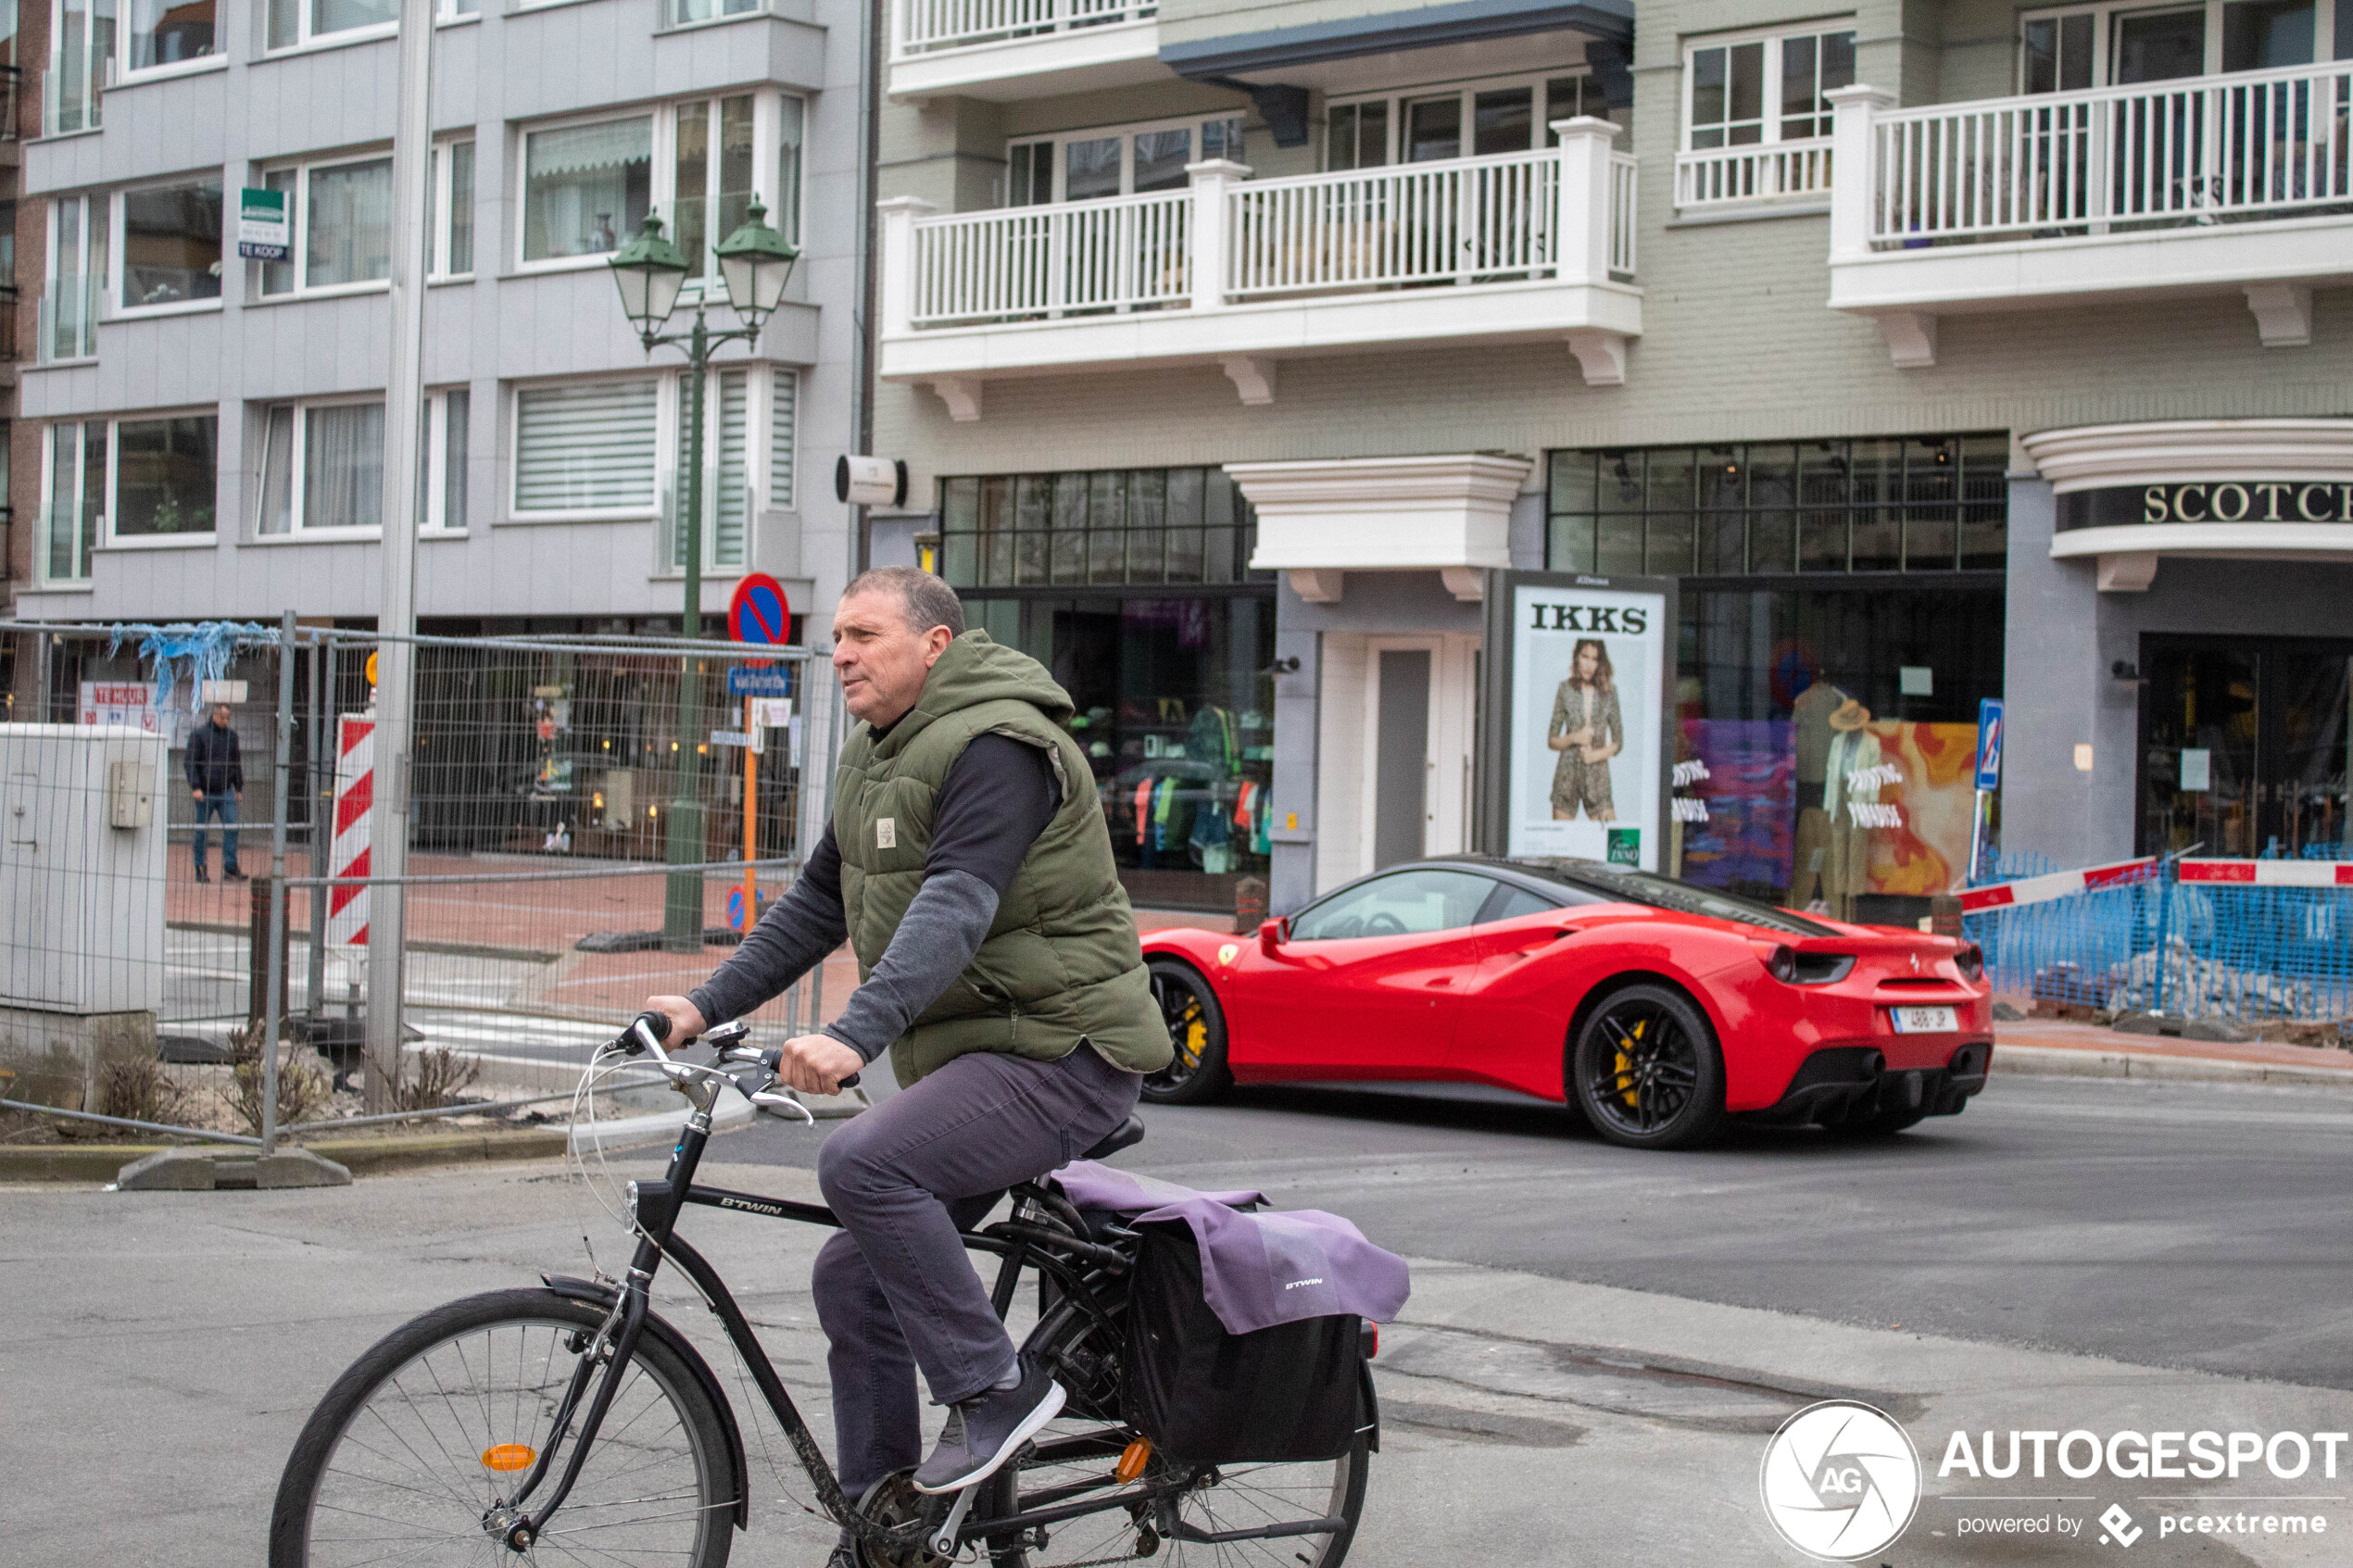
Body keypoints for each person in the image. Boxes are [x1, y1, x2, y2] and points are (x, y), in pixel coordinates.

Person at [641, 566, 1171, 1543]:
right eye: (835, 634)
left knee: (862, 1160)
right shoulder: (872, 755)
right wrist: (701, 1006)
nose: (838, 652)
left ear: (934, 645)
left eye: (863, 633)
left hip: (1065, 1050)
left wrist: (850, 1034)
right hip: (981, 1057)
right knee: (852, 1278)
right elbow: (813, 906)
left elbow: (955, 905)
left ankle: (994, 1392)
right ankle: (888, 1527)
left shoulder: (999, 744)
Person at [1547, 637, 1623, 822]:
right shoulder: (1565, 689)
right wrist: (1574, 737)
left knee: (1612, 844)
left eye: (1594, 659)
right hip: (1567, 776)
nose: (1589, 664)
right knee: (1562, 847)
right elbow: (1552, 740)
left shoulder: (1609, 693)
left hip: (1598, 777)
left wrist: (1594, 756)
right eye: (1585, 657)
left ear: (1600, 662)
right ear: (1577, 657)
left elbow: (1618, 743)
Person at [187, 703, 246, 884]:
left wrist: (238, 787)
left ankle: (230, 866)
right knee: (201, 832)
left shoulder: (231, 737)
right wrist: (195, 786)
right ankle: (200, 868)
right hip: (204, 792)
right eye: (222, 716)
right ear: (213, 715)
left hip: (225, 792)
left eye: (227, 717)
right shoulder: (199, 735)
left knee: (231, 828)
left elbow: (236, 763)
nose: (224, 720)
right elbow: (190, 763)